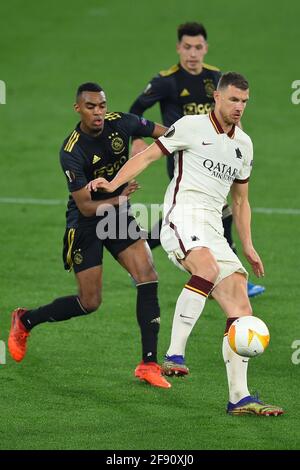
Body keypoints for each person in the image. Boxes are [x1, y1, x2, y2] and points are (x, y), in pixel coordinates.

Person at [88, 73, 283, 416]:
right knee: (205, 267)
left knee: (242, 308)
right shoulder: (190, 126)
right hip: (182, 217)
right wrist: (114, 185)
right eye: (234, 100)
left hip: (213, 230)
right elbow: (147, 157)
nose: (239, 107)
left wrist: (248, 246)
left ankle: (240, 397)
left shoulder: (244, 145)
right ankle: (174, 354)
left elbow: (240, 201)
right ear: (217, 99)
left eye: (245, 102)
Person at [8, 82, 171, 389]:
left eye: (101, 106)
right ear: (78, 109)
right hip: (87, 223)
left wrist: (195, 142)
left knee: (147, 274)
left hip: (117, 215)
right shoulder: (72, 150)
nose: (98, 113)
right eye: (91, 107)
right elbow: (85, 206)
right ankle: (26, 320)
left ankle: (149, 364)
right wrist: (119, 199)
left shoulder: (122, 122)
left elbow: (166, 133)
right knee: (90, 301)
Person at [129, 21, 265, 298]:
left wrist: (237, 139)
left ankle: (140, 250)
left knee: (203, 214)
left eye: (198, 47)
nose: (193, 53)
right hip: (183, 157)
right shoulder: (166, 81)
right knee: (220, 211)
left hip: (217, 156)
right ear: (179, 48)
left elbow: (231, 109)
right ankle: (227, 275)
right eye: (187, 47)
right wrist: (138, 139)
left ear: (206, 48)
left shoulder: (217, 78)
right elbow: (136, 110)